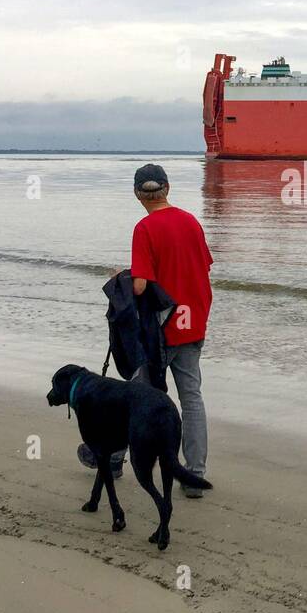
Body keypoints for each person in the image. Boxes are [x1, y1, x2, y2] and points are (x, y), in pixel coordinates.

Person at [127, 163, 214, 496]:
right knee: (191, 398)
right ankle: (195, 474)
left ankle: (113, 456)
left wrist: (124, 275)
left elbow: (139, 286)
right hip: (194, 320)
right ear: (168, 188)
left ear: (138, 194)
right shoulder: (190, 221)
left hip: (160, 330)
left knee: (137, 394)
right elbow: (201, 265)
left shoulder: (145, 228)